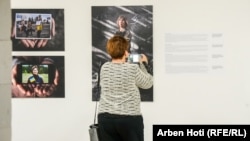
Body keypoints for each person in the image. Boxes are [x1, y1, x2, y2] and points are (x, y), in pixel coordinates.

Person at [97, 35, 153, 141]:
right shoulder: (132, 68)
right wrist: (144, 63)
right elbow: (148, 83)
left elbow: (118, 65)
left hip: (106, 118)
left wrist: (127, 57)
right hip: (129, 119)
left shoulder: (104, 67)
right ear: (125, 51)